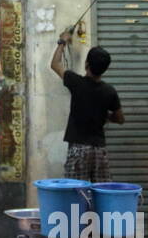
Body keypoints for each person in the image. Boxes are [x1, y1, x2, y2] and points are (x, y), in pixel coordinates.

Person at [50, 30, 124, 182]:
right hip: (99, 149)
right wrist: (106, 116)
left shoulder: (76, 82)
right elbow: (120, 119)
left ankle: (77, 208)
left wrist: (62, 42)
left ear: (86, 64)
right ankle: (101, 208)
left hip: (78, 150)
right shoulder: (109, 91)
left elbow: (55, 64)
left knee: (76, 193)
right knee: (101, 191)